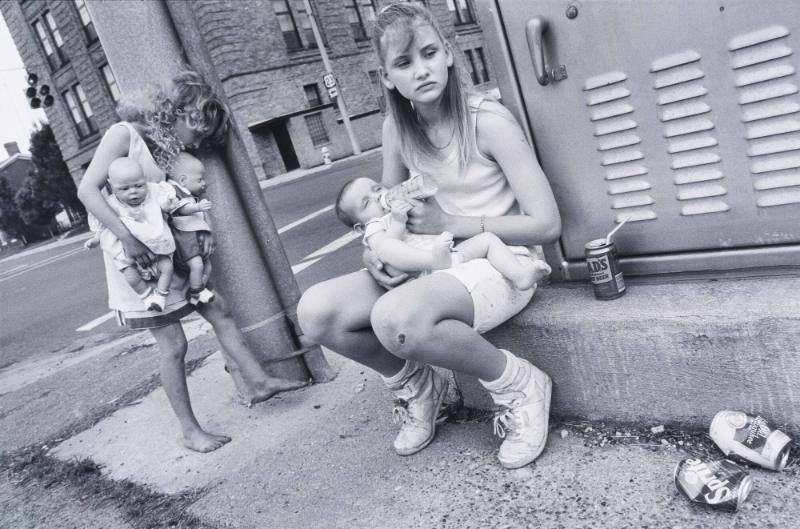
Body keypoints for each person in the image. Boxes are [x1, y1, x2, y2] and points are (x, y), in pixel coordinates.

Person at [298, 3, 561, 469]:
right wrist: (372, 253)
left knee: (395, 319)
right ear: (386, 77)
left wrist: (453, 225)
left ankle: (520, 385)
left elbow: (546, 223)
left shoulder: (488, 121)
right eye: (403, 63)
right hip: (434, 260)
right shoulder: (397, 129)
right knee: (316, 313)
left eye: (428, 53)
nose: (420, 71)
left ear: (449, 54)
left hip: (499, 258)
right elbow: (388, 207)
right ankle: (420, 387)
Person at [78, 71, 305, 453]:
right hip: (138, 263)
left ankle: (259, 382)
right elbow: (86, 190)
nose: (198, 143)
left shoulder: (160, 149)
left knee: (219, 310)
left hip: (168, 252)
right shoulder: (123, 134)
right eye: (198, 132)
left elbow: (167, 204)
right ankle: (189, 430)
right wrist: (128, 239)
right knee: (173, 345)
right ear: (181, 113)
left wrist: (198, 246)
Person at [335, 176, 552, 290]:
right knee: (388, 248)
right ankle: (434, 259)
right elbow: (384, 249)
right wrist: (398, 222)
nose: (377, 198)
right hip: (422, 269)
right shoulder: (374, 226)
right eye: (366, 203)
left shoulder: (398, 204)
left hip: (448, 255)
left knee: (487, 240)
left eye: (376, 189)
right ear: (359, 227)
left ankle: (520, 275)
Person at [98, 157, 178, 312]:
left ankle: (160, 296)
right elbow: (104, 225)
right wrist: (95, 239)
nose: (133, 192)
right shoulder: (112, 204)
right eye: (124, 189)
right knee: (130, 276)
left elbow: (165, 204)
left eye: (139, 185)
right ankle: (146, 297)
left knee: (167, 268)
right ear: (112, 187)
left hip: (156, 246)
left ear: (145, 180)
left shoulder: (153, 193)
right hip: (130, 254)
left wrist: (168, 205)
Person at [165, 152, 215, 305]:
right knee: (197, 265)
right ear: (183, 180)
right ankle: (196, 290)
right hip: (185, 239)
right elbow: (182, 209)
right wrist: (198, 207)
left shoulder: (188, 193)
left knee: (207, 267)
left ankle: (196, 292)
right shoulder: (174, 190)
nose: (204, 183)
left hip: (194, 239)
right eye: (199, 179)